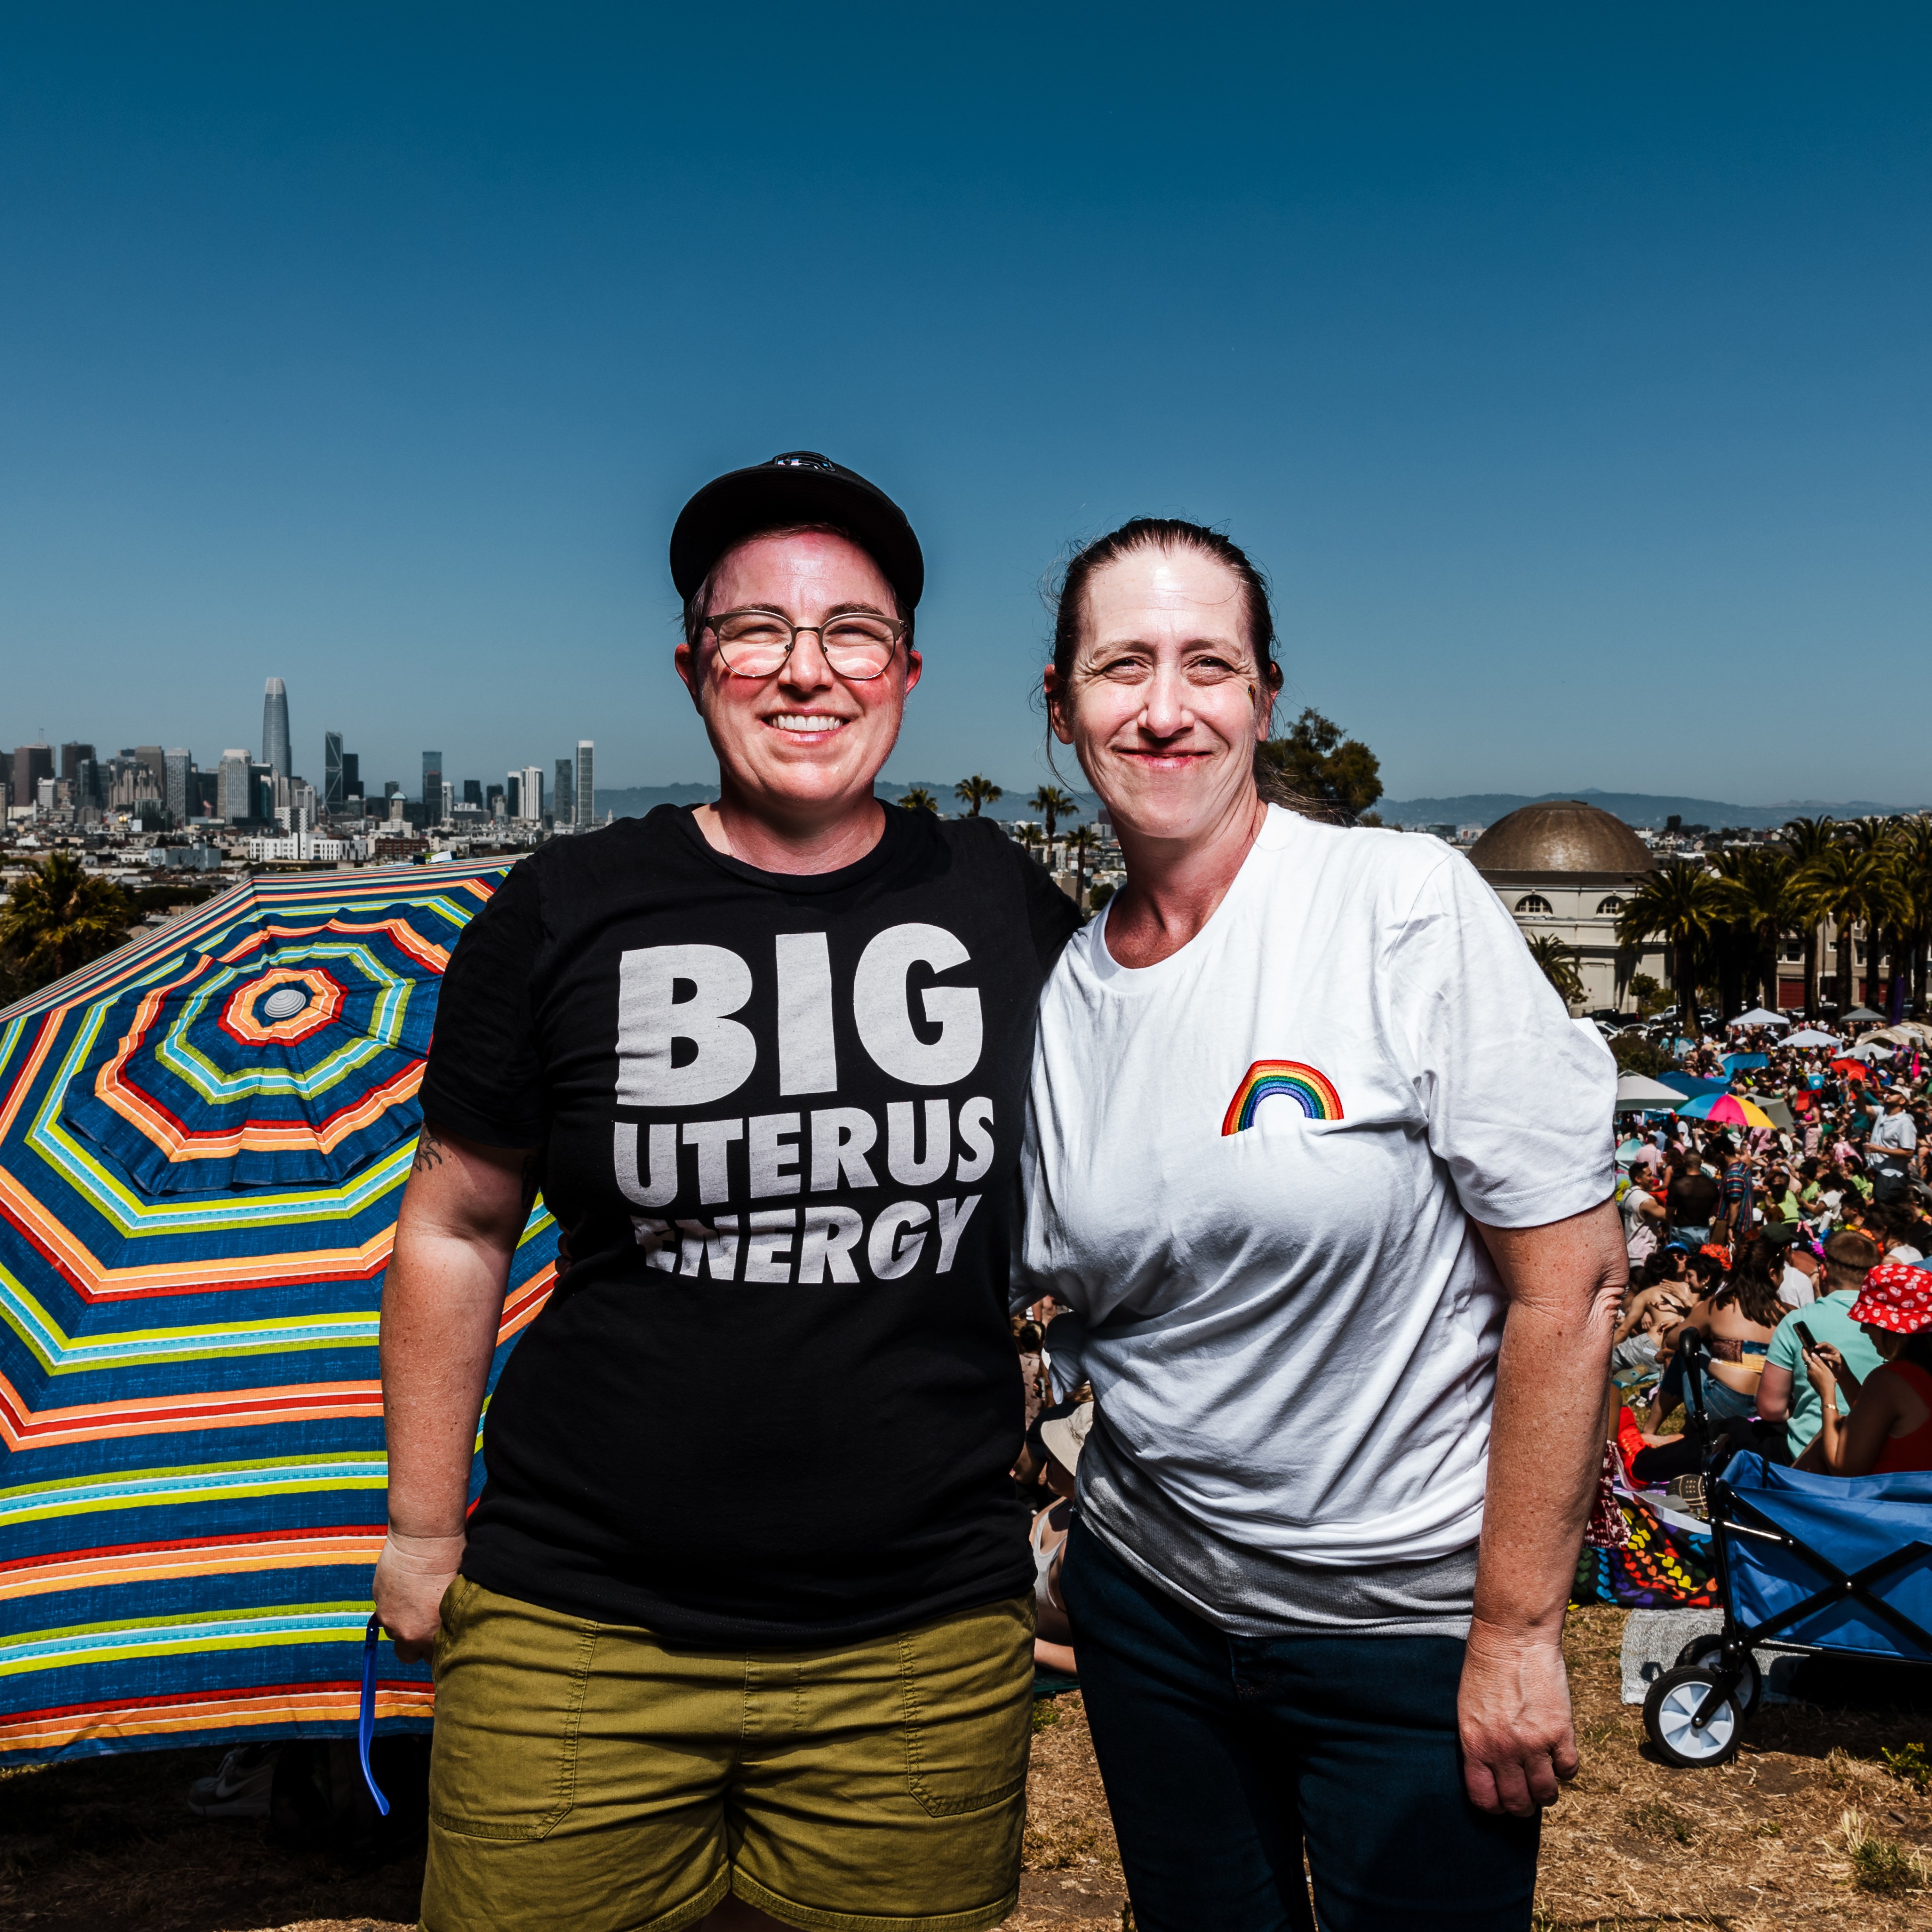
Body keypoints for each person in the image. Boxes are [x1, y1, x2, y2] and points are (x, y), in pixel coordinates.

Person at [375, 452, 1081, 1932]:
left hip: (919, 1646)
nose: (803, 670)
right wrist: (423, 1533)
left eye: (851, 632)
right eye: (755, 628)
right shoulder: (563, 905)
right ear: (694, 664)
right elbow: (454, 1226)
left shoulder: (1003, 900)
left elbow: (1148, 1182)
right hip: (576, 1624)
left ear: (906, 670)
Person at [1019, 518, 1624, 1932]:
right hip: (1153, 1615)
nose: (1165, 708)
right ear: (1062, 709)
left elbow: (1575, 1285)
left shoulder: (1397, 907)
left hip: (1405, 1637)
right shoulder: (1059, 1000)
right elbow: (1064, 1313)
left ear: (1264, 697)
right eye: (1121, 667)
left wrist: (1521, 1631)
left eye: (1206, 665)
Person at [1756, 1231, 1885, 1459]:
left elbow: (1771, 1410)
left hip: (1808, 1453)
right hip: (1881, 1455)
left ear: (1824, 1273)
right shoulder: (1893, 1329)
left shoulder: (1797, 1321)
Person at [1801, 1262, 1932, 1475]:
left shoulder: (1890, 1379)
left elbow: (1843, 1467)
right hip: (1918, 1503)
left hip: (1885, 1503)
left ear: (1893, 1328)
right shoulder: (1916, 1374)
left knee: (1834, 1429)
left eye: (1870, 1321)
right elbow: (1876, 1418)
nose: (1863, 1329)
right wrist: (1845, 1377)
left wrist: (1827, 1395)